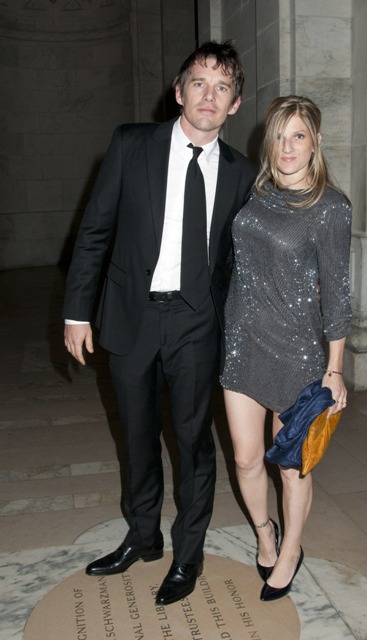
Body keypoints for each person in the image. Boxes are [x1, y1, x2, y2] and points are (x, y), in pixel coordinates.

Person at [63, 40, 256, 606]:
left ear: (234, 104)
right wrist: (77, 312)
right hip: (132, 313)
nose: (208, 96)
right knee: (137, 435)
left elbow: (241, 261)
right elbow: (94, 231)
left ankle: (187, 553)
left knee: (194, 443)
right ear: (178, 91)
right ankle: (142, 536)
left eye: (222, 88)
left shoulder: (242, 173)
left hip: (198, 322)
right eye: (199, 83)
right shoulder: (132, 145)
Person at [220, 95, 352, 601]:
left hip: (297, 353)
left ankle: (292, 548)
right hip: (242, 343)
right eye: (279, 136)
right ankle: (264, 532)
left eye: (299, 135)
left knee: (292, 464)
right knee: (246, 458)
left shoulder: (330, 207)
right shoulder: (257, 196)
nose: (288, 147)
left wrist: (334, 369)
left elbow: (336, 292)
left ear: (316, 142)